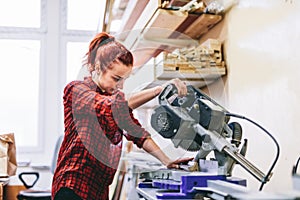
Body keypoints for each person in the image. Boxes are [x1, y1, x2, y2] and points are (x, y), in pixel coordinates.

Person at [51, 32, 193, 200]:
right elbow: (109, 108)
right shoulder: (76, 91)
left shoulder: (115, 99)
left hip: (98, 189)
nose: (121, 85)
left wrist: (167, 160)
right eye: (116, 78)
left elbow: (138, 134)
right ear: (97, 68)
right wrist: (158, 90)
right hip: (73, 185)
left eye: (124, 79)